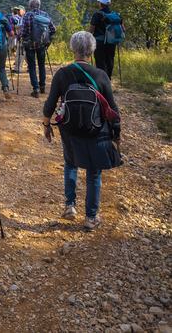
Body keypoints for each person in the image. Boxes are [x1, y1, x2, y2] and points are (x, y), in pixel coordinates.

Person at [42, 31, 121, 230]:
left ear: (73, 49)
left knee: (70, 163)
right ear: (92, 50)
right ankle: (91, 217)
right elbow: (113, 109)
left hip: (69, 130)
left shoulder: (62, 73)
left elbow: (50, 105)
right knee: (94, 172)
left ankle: (69, 206)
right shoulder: (100, 75)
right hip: (96, 130)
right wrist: (116, 134)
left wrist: (46, 126)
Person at [19, 0, 56, 98]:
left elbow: (22, 32)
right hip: (42, 45)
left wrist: (20, 38)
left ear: (30, 6)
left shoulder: (27, 15)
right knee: (41, 65)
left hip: (30, 45)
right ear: (39, 5)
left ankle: (35, 89)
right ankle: (42, 86)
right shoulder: (45, 15)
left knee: (32, 66)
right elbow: (53, 29)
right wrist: (47, 39)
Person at [89, 0, 123, 79]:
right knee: (110, 59)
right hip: (112, 41)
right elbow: (123, 29)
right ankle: (108, 79)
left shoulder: (97, 14)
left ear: (101, 4)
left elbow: (91, 29)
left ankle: (101, 80)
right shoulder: (115, 15)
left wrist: (88, 36)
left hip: (100, 41)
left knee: (100, 61)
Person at [8, 7, 24, 72]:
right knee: (20, 52)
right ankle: (18, 65)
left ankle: (17, 66)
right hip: (19, 36)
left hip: (13, 35)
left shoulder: (11, 18)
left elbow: (9, 26)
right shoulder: (21, 18)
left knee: (14, 49)